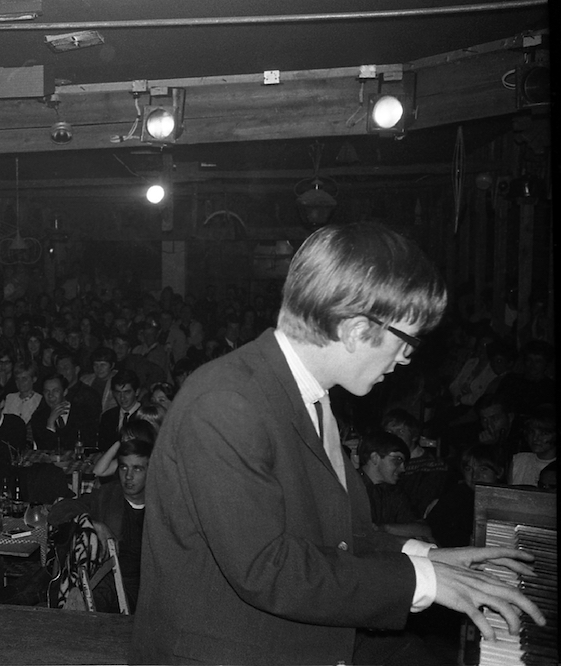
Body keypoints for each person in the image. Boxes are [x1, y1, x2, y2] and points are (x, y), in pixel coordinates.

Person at [130, 222, 544, 665]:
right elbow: (268, 570)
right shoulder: (227, 404)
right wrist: (424, 582)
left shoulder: (309, 394)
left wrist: (432, 558)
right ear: (355, 329)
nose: (407, 358)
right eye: (407, 339)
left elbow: (341, 533)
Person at [49, 438, 152, 613]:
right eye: (123, 467)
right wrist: (95, 523)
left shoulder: (160, 506)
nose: (128, 476)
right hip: (98, 577)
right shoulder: (109, 496)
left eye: (137, 469)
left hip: (141, 587)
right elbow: (59, 510)